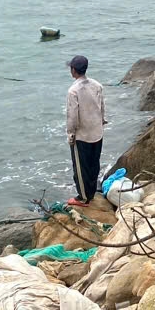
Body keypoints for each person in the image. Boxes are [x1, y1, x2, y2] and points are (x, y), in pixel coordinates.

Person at [65, 54, 107, 207]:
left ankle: (83, 198)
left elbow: (72, 117)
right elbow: (102, 106)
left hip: (83, 135)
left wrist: (71, 134)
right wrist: (102, 121)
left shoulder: (73, 91)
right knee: (94, 163)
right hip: (97, 131)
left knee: (81, 168)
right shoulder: (97, 85)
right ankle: (91, 191)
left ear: (73, 70)